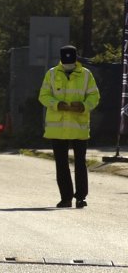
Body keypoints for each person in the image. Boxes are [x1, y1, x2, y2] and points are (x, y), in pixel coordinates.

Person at [38, 45, 100, 209]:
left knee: (80, 163)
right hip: (57, 127)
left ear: (76, 60)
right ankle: (66, 198)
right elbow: (43, 96)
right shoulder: (51, 74)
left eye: (71, 63)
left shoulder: (86, 74)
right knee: (61, 164)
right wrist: (57, 104)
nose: (68, 66)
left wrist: (84, 106)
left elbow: (94, 96)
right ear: (61, 60)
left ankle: (81, 197)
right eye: (66, 63)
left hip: (78, 126)